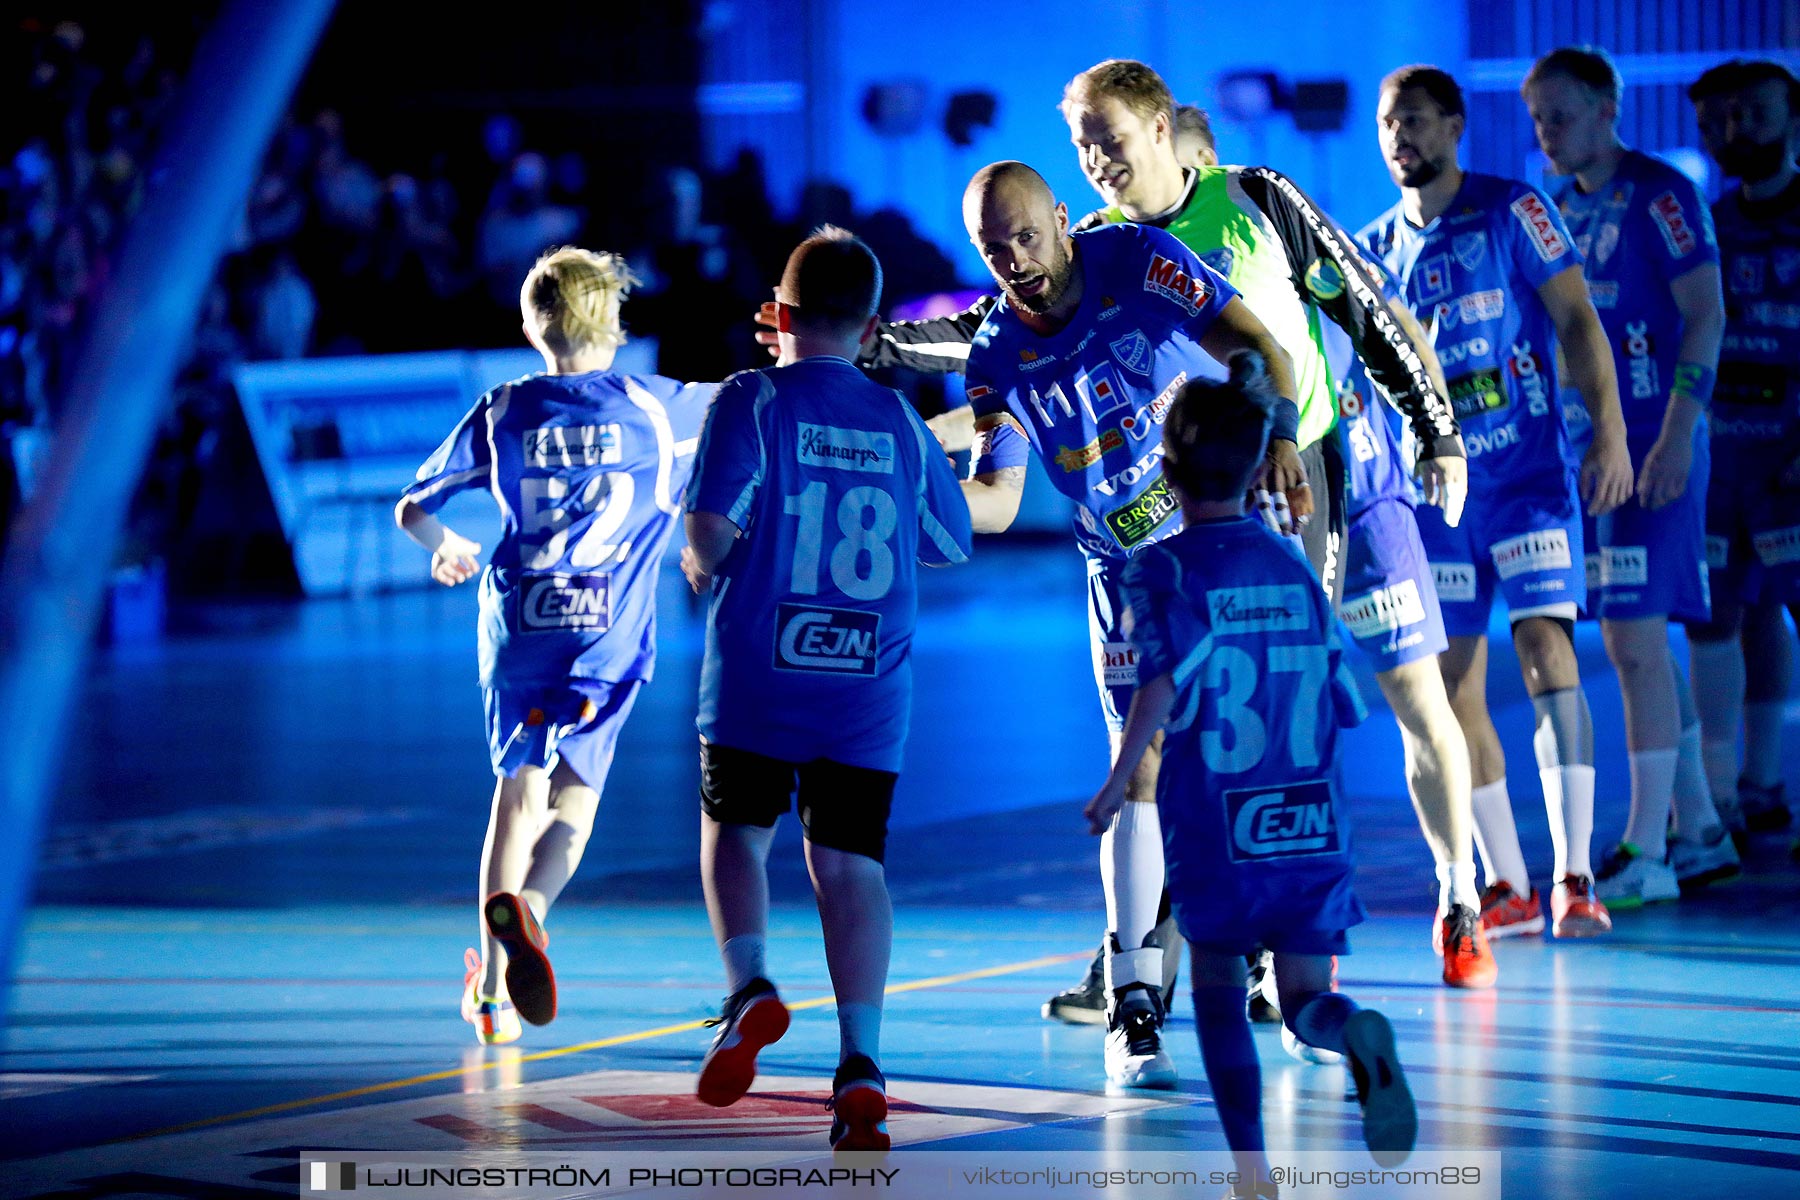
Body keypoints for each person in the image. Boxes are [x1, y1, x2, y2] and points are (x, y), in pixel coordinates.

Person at [955, 159, 1300, 1089]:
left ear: (1063, 220)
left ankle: (1277, 948)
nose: (1015, 260)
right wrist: (930, 508)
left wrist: (1280, 438)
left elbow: (1251, 345)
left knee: (1242, 747)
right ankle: (1135, 1001)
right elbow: (996, 493)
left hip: (1220, 539)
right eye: (994, 249)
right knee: (1139, 767)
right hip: (1125, 575)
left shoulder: (1142, 261)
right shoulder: (995, 356)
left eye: (1027, 235)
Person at [1085, 354, 1416, 1183]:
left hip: (1221, 824)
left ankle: (1253, 1169)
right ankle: (1356, 1031)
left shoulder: (1158, 568)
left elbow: (1160, 681)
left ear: (1165, 469)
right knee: (1306, 1003)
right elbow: (1347, 703)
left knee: (1219, 993)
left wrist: (1121, 777)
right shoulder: (1296, 570)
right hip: (1311, 821)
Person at [682, 227, 972, 1151]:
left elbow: (708, 537)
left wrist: (705, 561)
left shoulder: (751, 398)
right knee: (851, 867)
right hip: (865, 686)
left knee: (736, 837)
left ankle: (751, 987)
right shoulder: (896, 416)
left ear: (782, 313)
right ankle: (860, 1066)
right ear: (873, 324)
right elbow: (952, 539)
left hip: (763, 674)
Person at [395, 247, 714, 1045]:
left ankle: (493, 1000)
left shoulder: (504, 410)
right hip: (605, 636)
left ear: (533, 326)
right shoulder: (654, 405)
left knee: (517, 794)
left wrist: (443, 546)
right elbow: (752, 406)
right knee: (576, 801)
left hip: (519, 627)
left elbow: (412, 507)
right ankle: (532, 911)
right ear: (614, 318)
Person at [1360, 65, 1635, 939]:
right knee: (1453, 686)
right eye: (1387, 123)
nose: (1400, 137)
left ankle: (1576, 876)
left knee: (1549, 649)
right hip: (1438, 502)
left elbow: (1579, 322)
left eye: (1414, 121)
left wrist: (1613, 435)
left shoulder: (1513, 209)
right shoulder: (1373, 251)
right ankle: (1506, 881)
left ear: (1453, 127)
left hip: (1526, 482)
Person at [1522, 46, 1739, 903]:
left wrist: (1680, 436)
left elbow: (1707, 315)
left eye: (1561, 116)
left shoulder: (1663, 194)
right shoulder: (1555, 207)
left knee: (1636, 641)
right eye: (1537, 117)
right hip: (1589, 451)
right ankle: (1702, 830)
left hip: (1653, 444)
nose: (1546, 132)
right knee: (1628, 640)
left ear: (1608, 110)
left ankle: (1646, 850)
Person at [1685, 59, 1800, 858]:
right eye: (1720, 118)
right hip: (1721, 459)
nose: (1736, 130)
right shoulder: (1706, 224)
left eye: (1753, 113)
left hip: (1796, 460)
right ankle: (1737, 795)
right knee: (1724, 615)